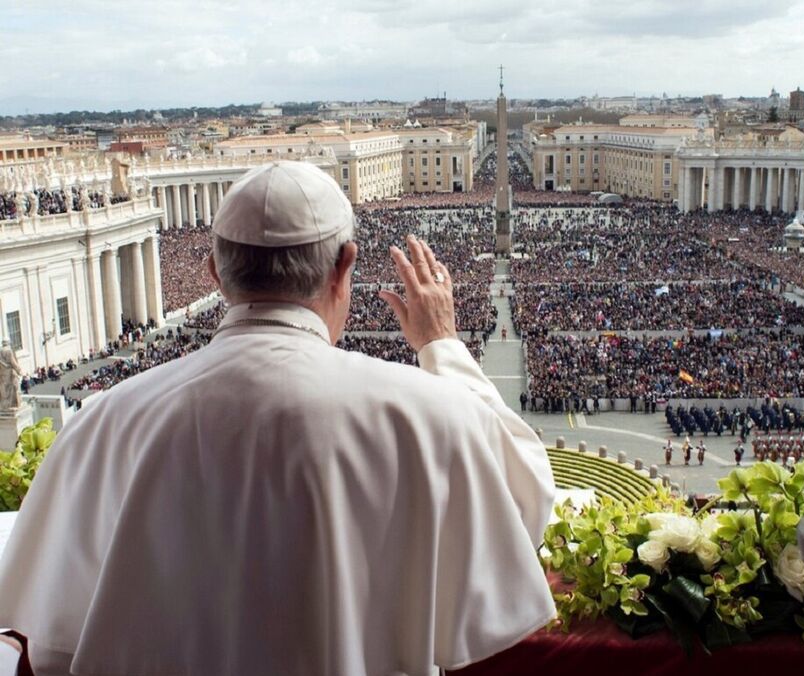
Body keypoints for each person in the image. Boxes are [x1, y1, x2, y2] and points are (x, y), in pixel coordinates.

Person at [0, 161, 556, 676]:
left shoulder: (106, 423)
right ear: (345, 267)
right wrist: (443, 347)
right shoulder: (427, 414)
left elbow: (52, 644)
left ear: (215, 272)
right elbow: (526, 500)